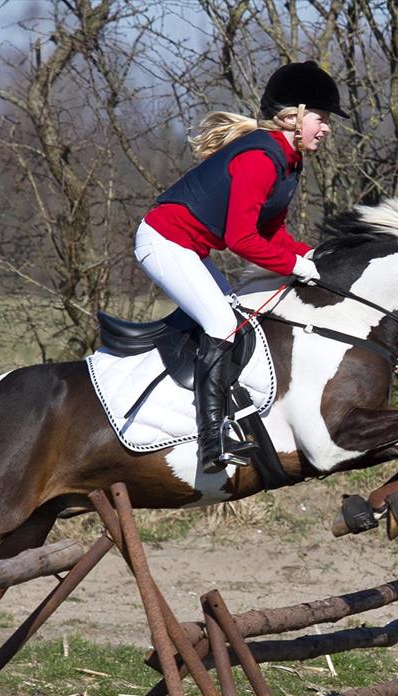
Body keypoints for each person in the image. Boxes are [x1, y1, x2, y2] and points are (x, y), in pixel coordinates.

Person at [135, 61, 348, 474]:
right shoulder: (260, 159)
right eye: (321, 119)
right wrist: (296, 266)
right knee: (220, 323)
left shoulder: (288, 162)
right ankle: (211, 442)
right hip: (162, 242)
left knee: (235, 319)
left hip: (189, 249)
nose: (326, 129)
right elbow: (241, 239)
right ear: (295, 115)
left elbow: (272, 233)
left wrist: (318, 258)